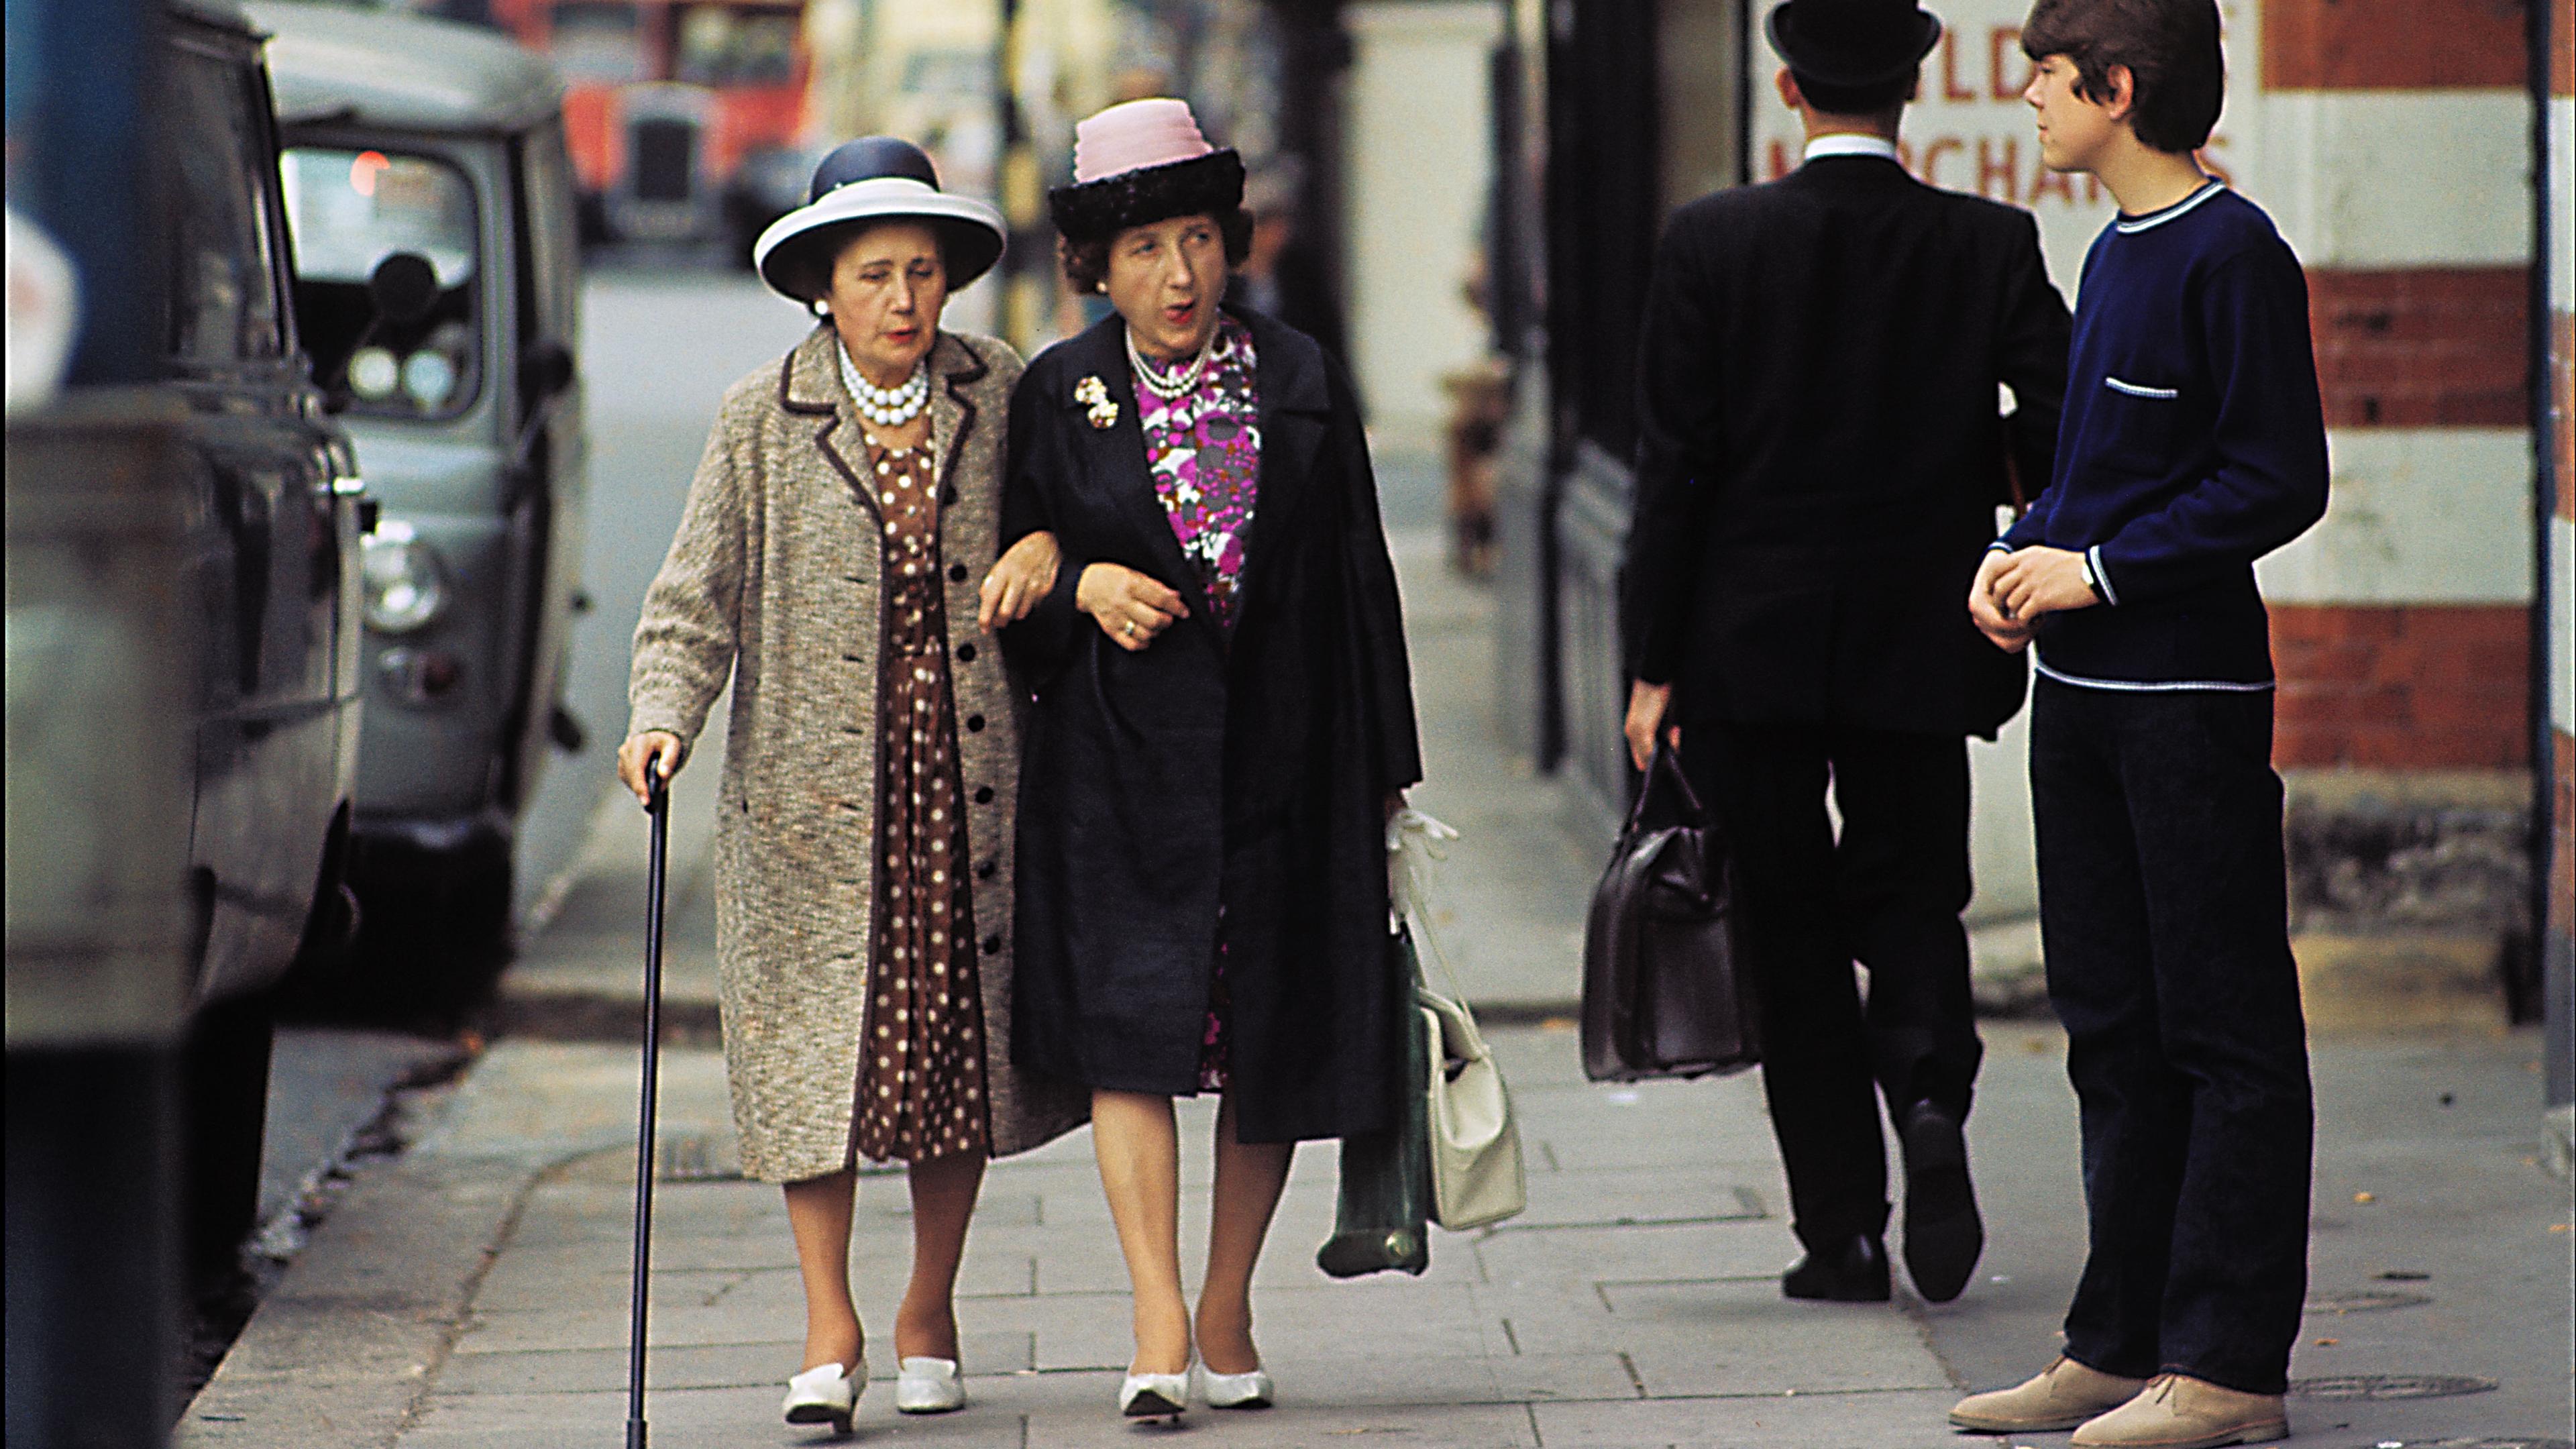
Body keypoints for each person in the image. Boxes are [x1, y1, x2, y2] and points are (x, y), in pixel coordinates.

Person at [616, 137, 1084, 1437]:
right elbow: (690, 600)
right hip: (809, 807)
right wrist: (663, 721)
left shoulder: (1003, 392)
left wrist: (1047, 542)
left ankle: (930, 1307)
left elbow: (1075, 513)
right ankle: (830, 1324)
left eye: (923, 274)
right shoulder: (760, 419)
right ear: (826, 284)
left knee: (953, 1056)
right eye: (876, 274)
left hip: (968, 786)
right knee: (813, 1062)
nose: (903, 301)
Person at [1619, 0, 2071, 1308]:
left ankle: (1844, 1233)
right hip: (1923, 637)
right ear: (1909, 93)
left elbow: (1675, 473)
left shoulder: (1712, 242)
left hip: (1745, 650)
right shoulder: (1985, 243)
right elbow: (2057, 418)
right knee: (1915, 893)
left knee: (1790, 932)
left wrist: (1654, 665)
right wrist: (1972, 480)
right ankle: (1929, 1096)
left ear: (1790, 90)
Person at [999, 98, 1422, 1420]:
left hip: (1287, 768)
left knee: (1269, 1042)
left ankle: (1228, 1301)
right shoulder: (1057, 395)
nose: (1176, 276)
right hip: (1121, 779)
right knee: (1133, 1041)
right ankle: (1153, 1313)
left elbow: (1364, 583)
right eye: (1141, 250)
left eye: (1195, 241)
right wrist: (1081, 585)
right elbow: (1018, 577)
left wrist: (1389, 788)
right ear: (1095, 266)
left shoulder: (1299, 377)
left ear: (1229, 242)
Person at [1951, 3, 2328, 1444]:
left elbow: (2278, 478)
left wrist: (2095, 568)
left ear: (2118, 89)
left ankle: (2230, 1368)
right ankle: (2120, 1340)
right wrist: (2026, 544)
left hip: (2188, 706)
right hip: (2086, 700)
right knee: (2110, 1023)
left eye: (2049, 77)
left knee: (2224, 1029)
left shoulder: (2234, 255)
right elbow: (2107, 467)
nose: (2032, 98)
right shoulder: (2110, 249)